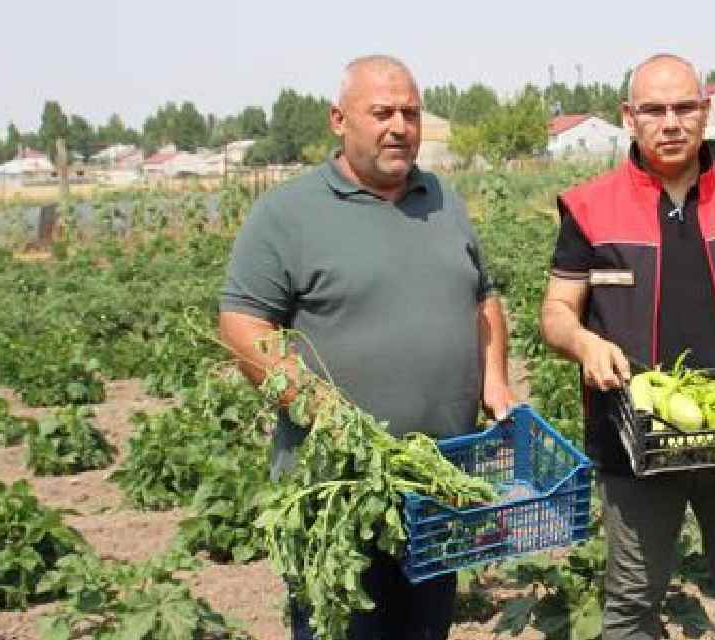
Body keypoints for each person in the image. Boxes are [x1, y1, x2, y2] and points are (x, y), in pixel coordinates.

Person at [218, 54, 514, 640]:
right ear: (339, 119)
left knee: (425, 630)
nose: (399, 127)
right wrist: (324, 412)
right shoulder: (288, 214)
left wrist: (495, 379)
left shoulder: (442, 199)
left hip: (436, 482)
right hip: (339, 491)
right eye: (381, 112)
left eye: (410, 112)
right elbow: (243, 325)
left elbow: (485, 300)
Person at [539, 53, 715, 640]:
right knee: (634, 598)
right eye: (654, 110)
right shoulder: (589, 206)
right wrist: (585, 345)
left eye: (685, 107)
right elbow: (556, 313)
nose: (671, 122)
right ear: (629, 117)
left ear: (705, 113)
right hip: (635, 437)